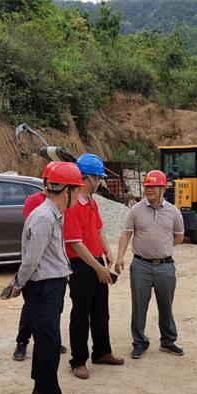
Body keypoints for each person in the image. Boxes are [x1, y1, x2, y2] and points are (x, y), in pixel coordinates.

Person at [3, 161, 83, 394]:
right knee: (50, 346)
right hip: (42, 288)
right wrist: (17, 284)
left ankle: (40, 389)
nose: (79, 195)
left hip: (52, 285)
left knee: (44, 341)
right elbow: (30, 260)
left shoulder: (54, 214)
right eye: (77, 190)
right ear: (67, 191)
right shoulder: (44, 218)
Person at [64, 153, 123, 379]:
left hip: (96, 261)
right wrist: (98, 268)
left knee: (101, 311)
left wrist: (107, 251)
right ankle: (78, 360)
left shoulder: (91, 202)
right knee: (81, 314)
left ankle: (102, 351)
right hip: (80, 265)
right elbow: (76, 244)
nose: (99, 182)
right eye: (97, 178)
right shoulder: (71, 206)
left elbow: (99, 229)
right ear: (87, 178)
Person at [114, 170, 185, 359]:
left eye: (153, 186)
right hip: (141, 266)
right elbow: (126, 233)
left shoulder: (173, 212)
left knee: (166, 305)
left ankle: (168, 341)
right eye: (147, 186)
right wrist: (120, 256)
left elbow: (179, 237)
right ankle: (139, 343)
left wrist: (163, 248)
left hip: (165, 266)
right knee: (139, 306)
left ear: (163, 188)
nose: (149, 190)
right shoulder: (136, 210)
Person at [13, 171, 67, 361]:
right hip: (41, 278)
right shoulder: (41, 208)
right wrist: (19, 282)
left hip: (54, 275)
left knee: (50, 323)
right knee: (32, 313)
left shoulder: (59, 207)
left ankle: (49, 341)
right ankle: (22, 341)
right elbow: (34, 253)